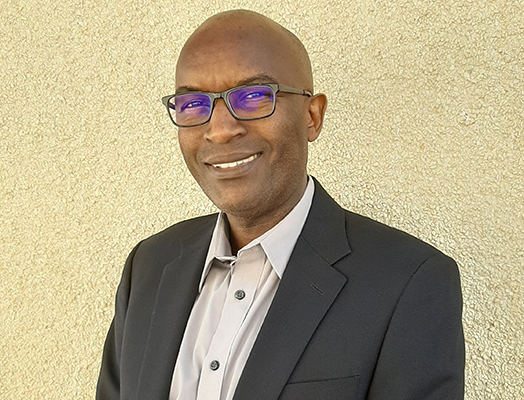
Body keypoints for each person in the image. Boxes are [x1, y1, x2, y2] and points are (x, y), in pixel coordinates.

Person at [96, 9, 465, 400]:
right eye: (193, 105)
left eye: (254, 96)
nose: (219, 130)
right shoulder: (150, 265)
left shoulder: (408, 282)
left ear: (312, 115)